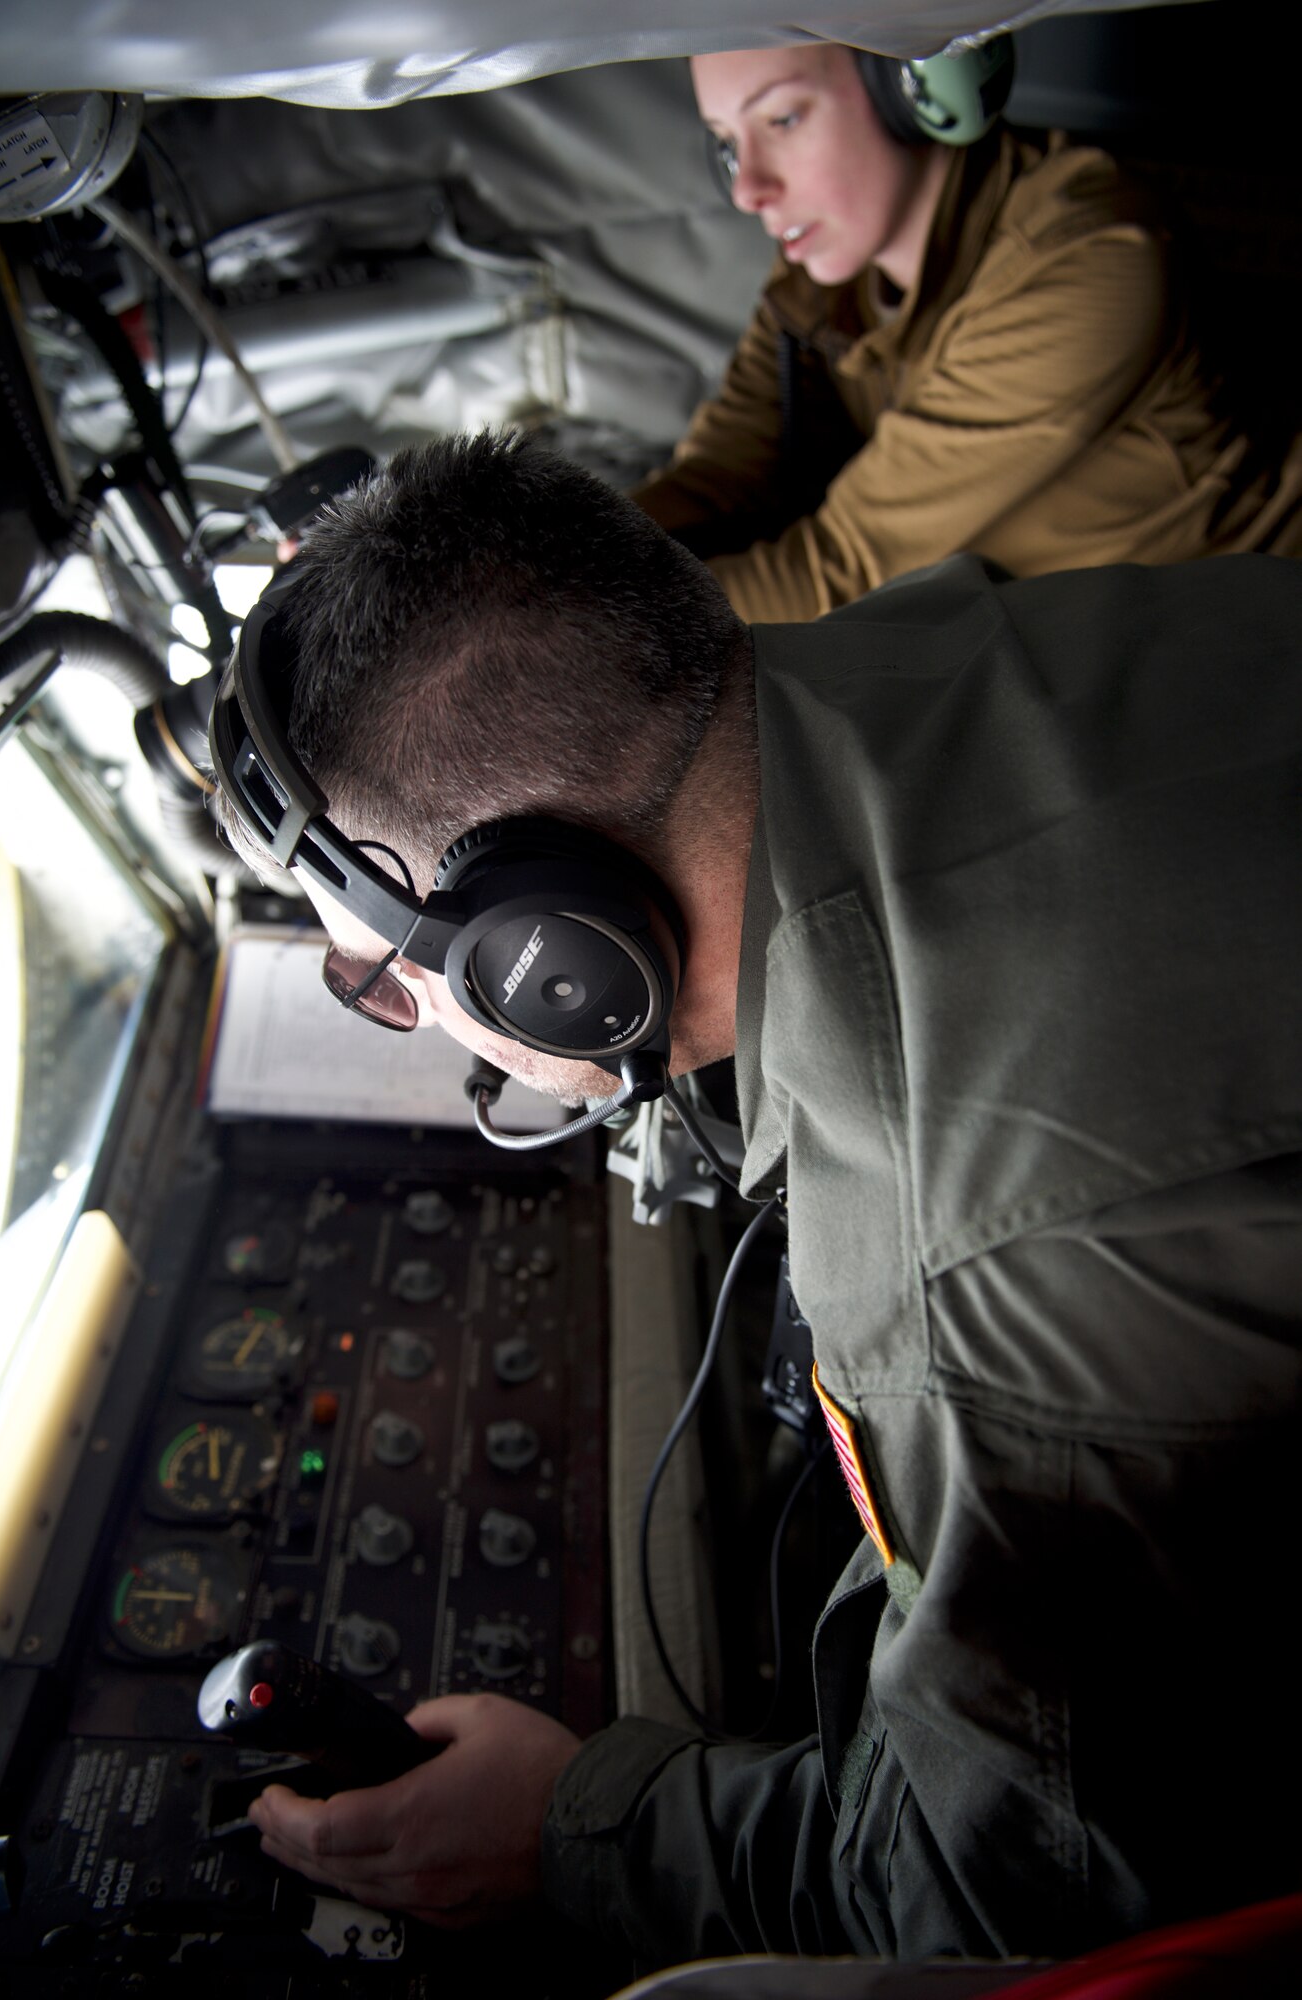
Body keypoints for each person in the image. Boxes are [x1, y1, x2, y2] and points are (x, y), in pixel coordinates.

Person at [218, 433, 1302, 1976]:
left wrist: (577, 1824)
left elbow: (1008, 1911)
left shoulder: (967, 1261)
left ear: (545, 956)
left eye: (387, 980)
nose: (417, 1020)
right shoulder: (937, 643)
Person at [630, 41, 1302, 622]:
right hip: (1077, 658)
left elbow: (837, 571)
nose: (746, 188)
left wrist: (572, 620)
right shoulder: (821, 272)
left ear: (912, 84)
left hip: (1247, 655)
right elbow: (719, 474)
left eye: (782, 118)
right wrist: (542, 557)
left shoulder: (1091, 256)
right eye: (725, 142)